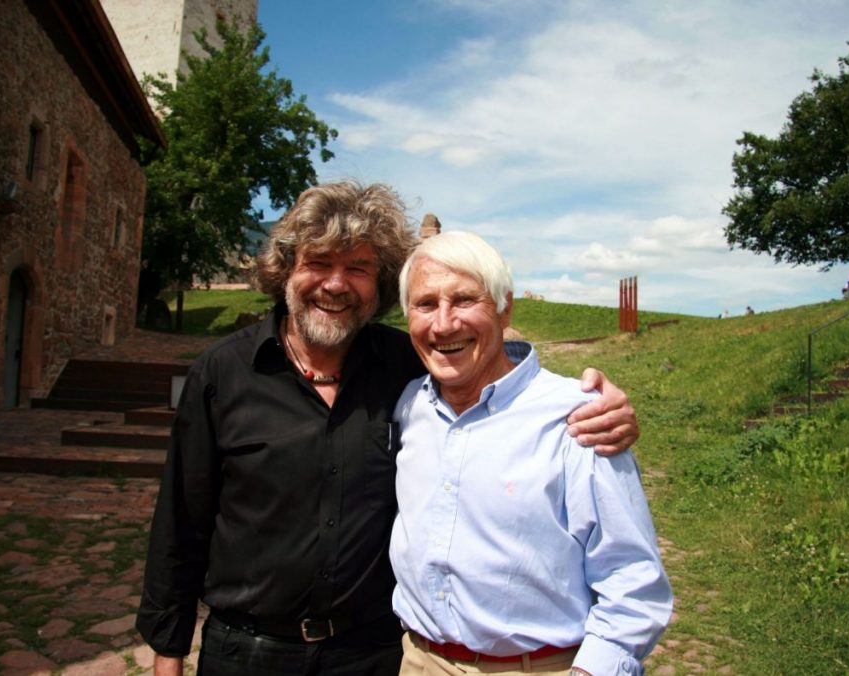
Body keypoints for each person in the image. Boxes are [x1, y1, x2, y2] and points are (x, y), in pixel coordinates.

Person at [135, 181, 641, 676]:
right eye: (318, 263)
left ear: (378, 286)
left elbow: (485, 371)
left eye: (357, 267)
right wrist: (169, 650)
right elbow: (182, 519)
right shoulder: (224, 373)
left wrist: (600, 402)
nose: (336, 284)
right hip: (247, 652)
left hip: (372, 653)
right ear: (286, 270)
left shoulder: (408, 369)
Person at [390, 232, 672, 676]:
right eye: (425, 304)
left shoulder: (578, 417)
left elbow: (632, 578)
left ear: (505, 308)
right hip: (417, 661)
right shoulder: (409, 404)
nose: (443, 324)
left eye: (464, 300)